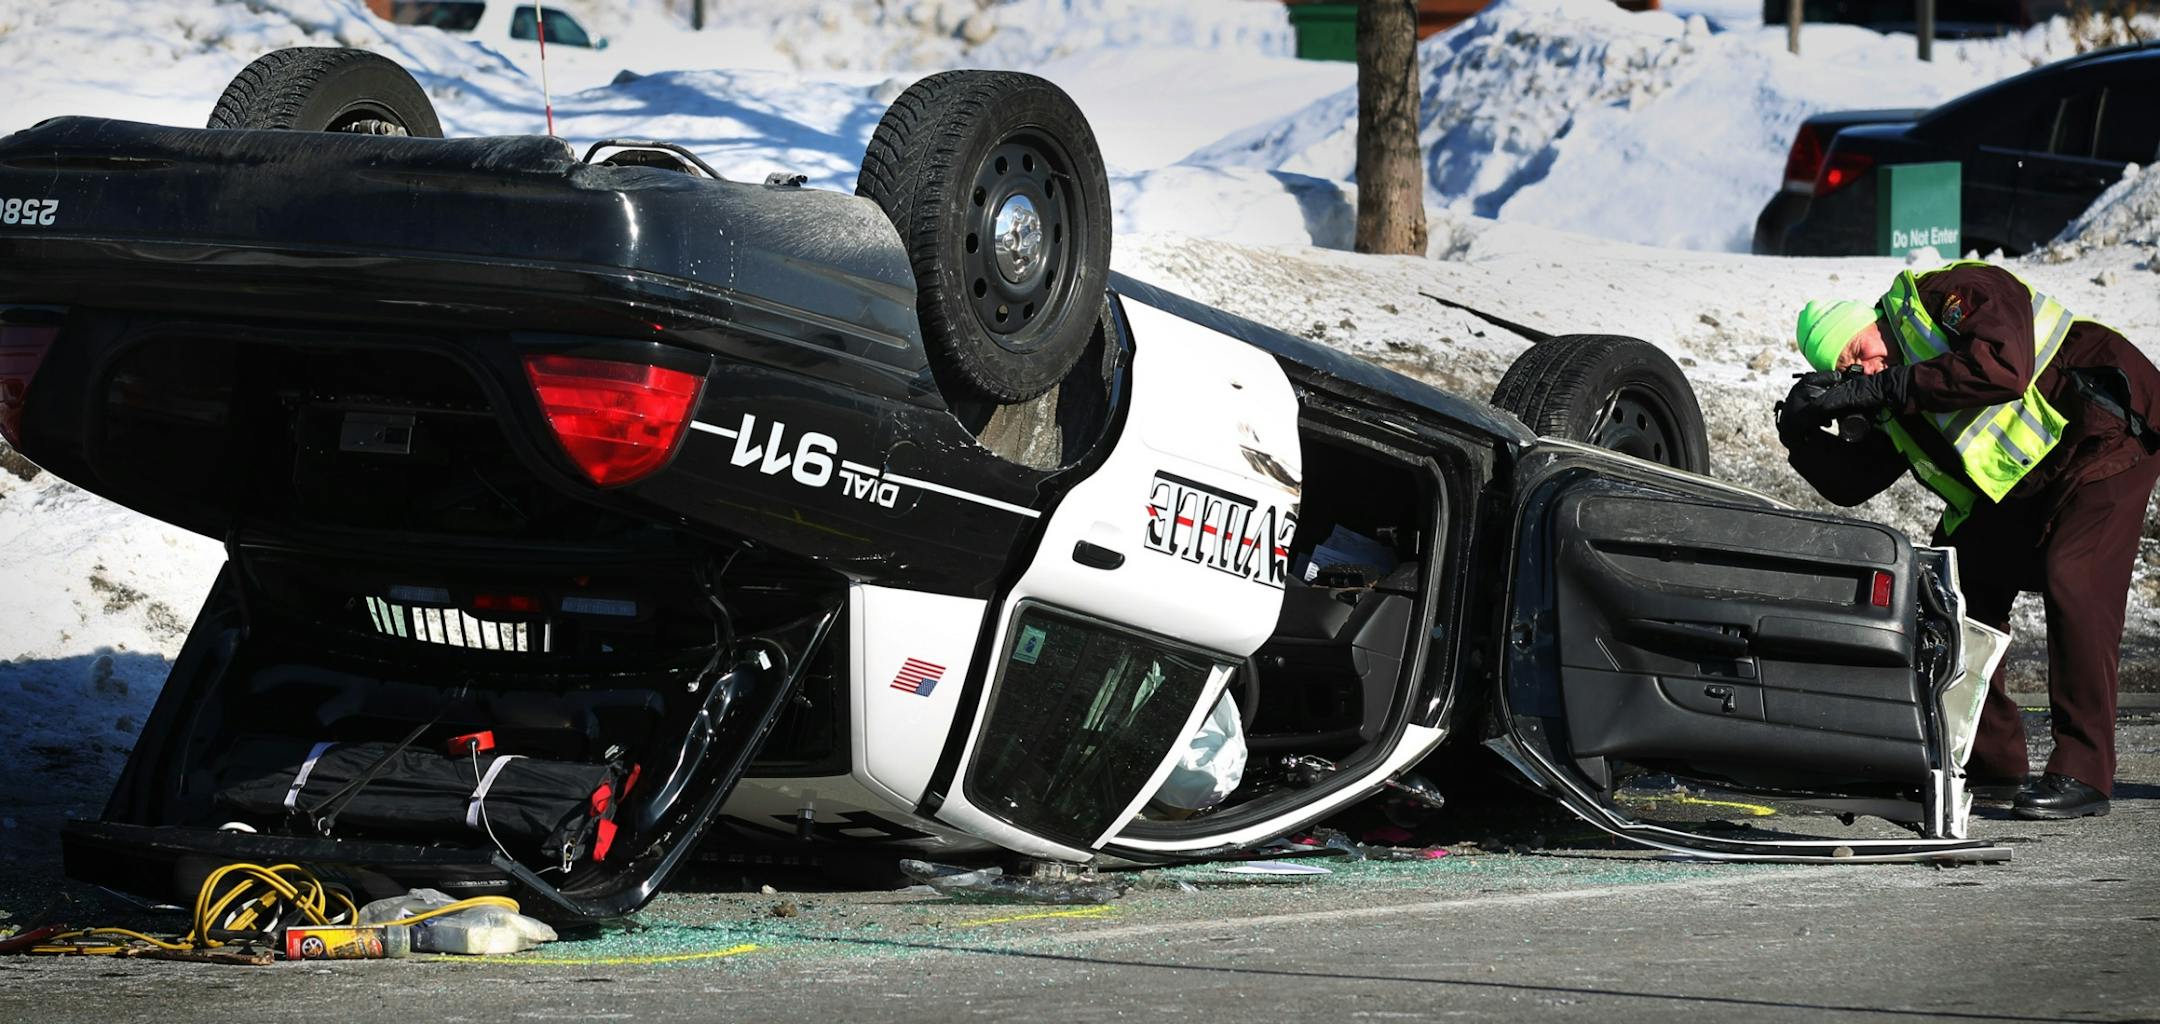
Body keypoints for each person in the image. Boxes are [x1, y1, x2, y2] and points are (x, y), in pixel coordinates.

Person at [1778, 260, 2160, 820]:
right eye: (1847, 370)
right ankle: (1994, 763)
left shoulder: (1947, 293)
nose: (1864, 367)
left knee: (2073, 577)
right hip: (2033, 475)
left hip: (2104, 425)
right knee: (1956, 586)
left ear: (1869, 321)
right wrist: (1801, 433)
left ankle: (2085, 770)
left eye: (1858, 349)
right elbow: (1852, 482)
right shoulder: (1888, 390)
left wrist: (1879, 387)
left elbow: (2003, 367)